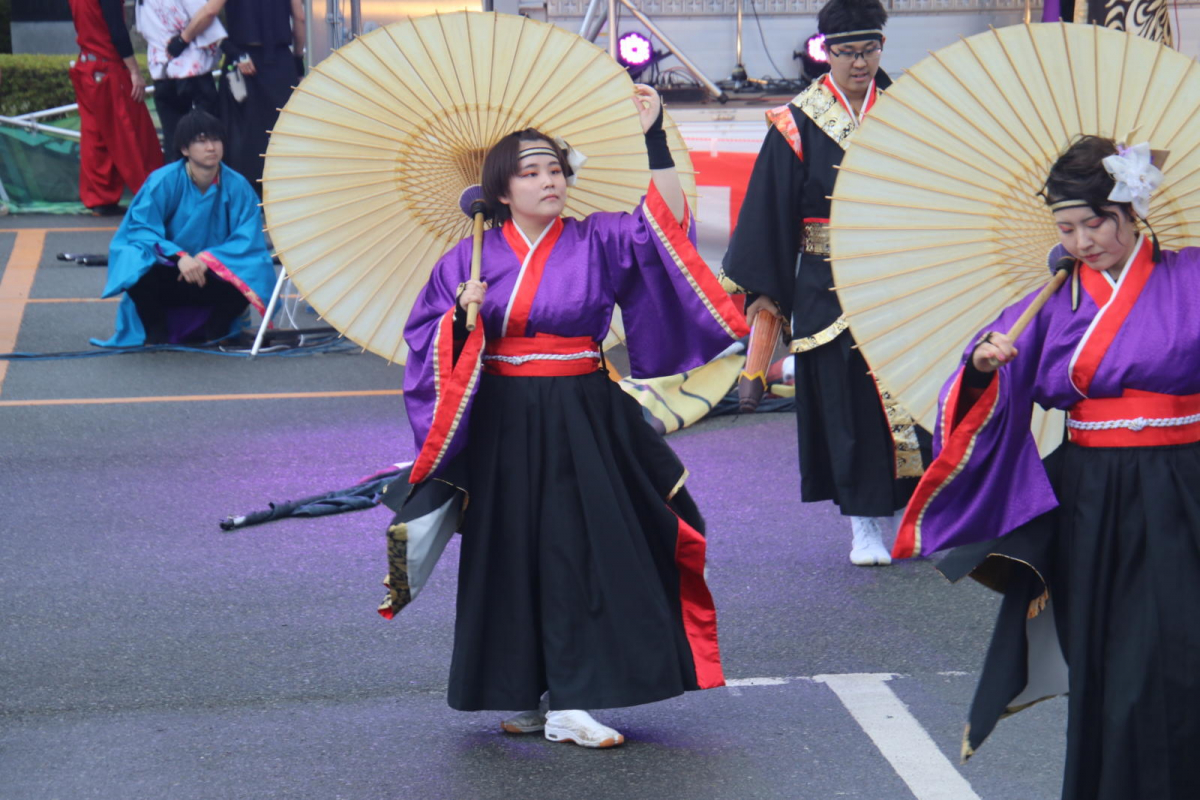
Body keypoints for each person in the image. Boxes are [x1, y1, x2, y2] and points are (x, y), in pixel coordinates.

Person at [377, 86, 749, 748]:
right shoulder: (466, 259)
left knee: (577, 545)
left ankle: (574, 698)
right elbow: (424, 344)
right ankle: (521, 693)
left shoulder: (598, 237)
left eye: (555, 169)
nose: (549, 180)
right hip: (504, 419)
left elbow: (665, 228)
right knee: (509, 551)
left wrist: (655, 137)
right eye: (531, 172)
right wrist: (458, 319)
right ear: (500, 191)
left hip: (583, 411)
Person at [895, 136, 1200, 799]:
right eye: (1067, 229)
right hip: (1097, 494)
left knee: (1184, 646)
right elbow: (984, 397)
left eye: (1097, 223)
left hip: (1186, 482)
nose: (1083, 241)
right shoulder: (1053, 302)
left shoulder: (1192, 276)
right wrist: (983, 367)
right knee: (1113, 654)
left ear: (1132, 212)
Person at [720, 0, 929, 566]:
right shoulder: (797, 121)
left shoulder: (912, 111)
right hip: (827, 283)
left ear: (882, 47)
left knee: (917, 397)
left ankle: (918, 517)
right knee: (848, 406)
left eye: (869, 50)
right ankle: (865, 525)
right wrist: (767, 307)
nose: (859, 62)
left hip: (903, 280)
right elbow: (769, 215)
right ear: (826, 51)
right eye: (846, 51)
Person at [93, 110, 276, 347]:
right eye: (201, 141)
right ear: (184, 149)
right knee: (132, 255)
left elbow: (248, 239)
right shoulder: (162, 181)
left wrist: (207, 259)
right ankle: (155, 331)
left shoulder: (239, 186)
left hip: (215, 274)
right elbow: (140, 229)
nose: (211, 147)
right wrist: (179, 257)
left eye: (216, 140)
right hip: (169, 272)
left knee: (256, 262)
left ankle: (217, 330)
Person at [67, 0, 164, 214]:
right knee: (134, 132)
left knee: (95, 135)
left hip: (87, 65)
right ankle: (154, 193)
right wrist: (135, 71)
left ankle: (100, 197)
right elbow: (117, 31)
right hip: (108, 65)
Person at [207, 0, 306, 193]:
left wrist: (227, 47)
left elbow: (210, 11)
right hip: (281, 61)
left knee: (242, 132)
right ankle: (284, 189)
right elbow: (299, 18)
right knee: (282, 128)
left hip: (243, 59)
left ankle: (245, 194)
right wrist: (298, 58)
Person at [135, 0, 226, 163]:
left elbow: (142, 29)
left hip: (162, 71)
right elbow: (207, 13)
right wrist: (184, 39)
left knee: (174, 144)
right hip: (192, 71)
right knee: (207, 141)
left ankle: (177, 178)